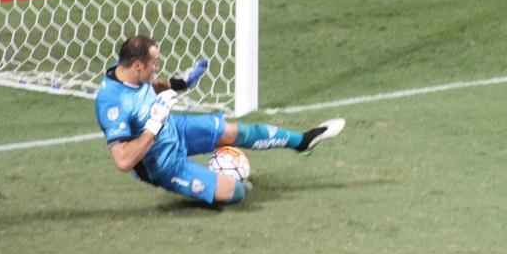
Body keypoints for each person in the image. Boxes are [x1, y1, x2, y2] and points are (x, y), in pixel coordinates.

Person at [95, 35, 345, 206]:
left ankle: (302, 141)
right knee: (236, 193)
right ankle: (226, 179)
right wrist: (153, 126)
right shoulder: (111, 102)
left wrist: (178, 84)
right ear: (137, 65)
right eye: (154, 64)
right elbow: (124, 160)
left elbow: (149, 87)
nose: (156, 68)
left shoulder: (130, 72)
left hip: (175, 129)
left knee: (237, 131)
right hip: (162, 164)